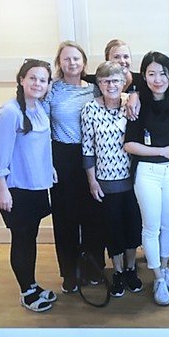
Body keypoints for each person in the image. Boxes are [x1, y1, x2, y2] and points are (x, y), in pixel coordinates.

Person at [0, 58, 58, 312]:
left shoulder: (38, 108)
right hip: (15, 189)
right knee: (22, 239)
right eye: (32, 78)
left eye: (43, 79)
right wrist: (2, 189)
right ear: (21, 80)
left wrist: (47, 167)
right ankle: (26, 291)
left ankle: (32, 284)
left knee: (31, 237)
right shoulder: (10, 112)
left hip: (35, 186)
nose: (37, 83)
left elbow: (38, 146)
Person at [124, 51, 169, 305]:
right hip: (147, 171)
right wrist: (161, 151)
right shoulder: (138, 105)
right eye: (151, 74)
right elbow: (129, 145)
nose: (158, 79)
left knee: (168, 224)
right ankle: (158, 277)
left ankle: (164, 266)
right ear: (144, 76)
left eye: (163, 73)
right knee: (151, 226)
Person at [48, 40, 107, 293]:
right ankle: (69, 273)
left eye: (76, 58)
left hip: (93, 157)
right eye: (66, 59)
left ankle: (94, 269)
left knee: (94, 215)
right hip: (62, 156)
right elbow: (39, 126)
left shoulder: (94, 88)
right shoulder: (51, 90)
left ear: (84, 62)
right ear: (59, 63)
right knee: (65, 218)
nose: (72, 63)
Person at [81, 61, 143, 297]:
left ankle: (130, 269)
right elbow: (87, 148)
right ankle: (117, 272)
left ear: (123, 82)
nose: (111, 85)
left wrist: (134, 95)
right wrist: (92, 180)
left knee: (132, 229)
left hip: (132, 181)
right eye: (105, 81)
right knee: (113, 231)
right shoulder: (89, 109)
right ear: (99, 83)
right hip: (104, 183)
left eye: (116, 80)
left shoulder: (131, 104)